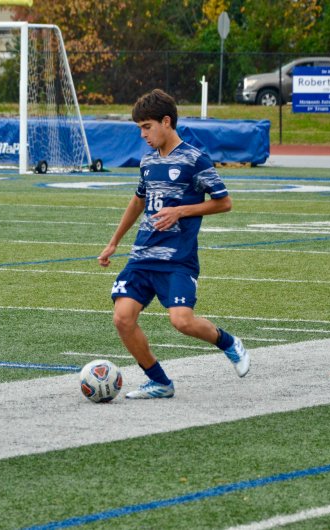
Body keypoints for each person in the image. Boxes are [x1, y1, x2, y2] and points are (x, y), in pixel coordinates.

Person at [97, 88, 249, 399]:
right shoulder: (148, 160)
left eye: (147, 126)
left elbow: (224, 203)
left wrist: (181, 210)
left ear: (167, 122)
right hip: (142, 256)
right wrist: (114, 242)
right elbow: (138, 201)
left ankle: (228, 342)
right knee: (122, 318)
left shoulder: (196, 160)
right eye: (140, 128)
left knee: (181, 321)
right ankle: (160, 382)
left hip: (178, 259)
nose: (143, 135)